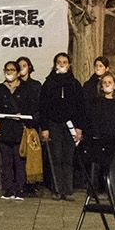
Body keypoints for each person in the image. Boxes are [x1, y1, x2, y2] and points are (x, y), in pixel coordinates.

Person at [38, 52, 87, 201]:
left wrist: (79, 127)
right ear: (55, 64)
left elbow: (81, 108)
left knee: (68, 158)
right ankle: (57, 189)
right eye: (59, 61)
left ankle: (68, 189)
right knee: (56, 157)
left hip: (70, 125)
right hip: (54, 124)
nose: (62, 64)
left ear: (69, 64)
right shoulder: (48, 84)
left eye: (65, 62)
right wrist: (45, 128)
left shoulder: (75, 84)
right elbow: (43, 107)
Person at [0, 60, 36, 200]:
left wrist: (22, 115)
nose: (9, 72)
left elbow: (32, 108)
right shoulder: (0, 89)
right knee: (6, 161)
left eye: (12, 70)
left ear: (18, 72)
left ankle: (20, 189)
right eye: (7, 69)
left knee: (19, 160)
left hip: (20, 129)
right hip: (5, 129)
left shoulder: (26, 88)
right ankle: (8, 189)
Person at [85, 71, 115, 188]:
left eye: (110, 82)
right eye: (104, 82)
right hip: (100, 138)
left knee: (114, 165)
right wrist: (95, 135)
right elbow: (93, 120)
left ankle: (114, 189)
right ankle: (94, 189)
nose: (107, 84)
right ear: (101, 86)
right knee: (97, 164)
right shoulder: (96, 102)